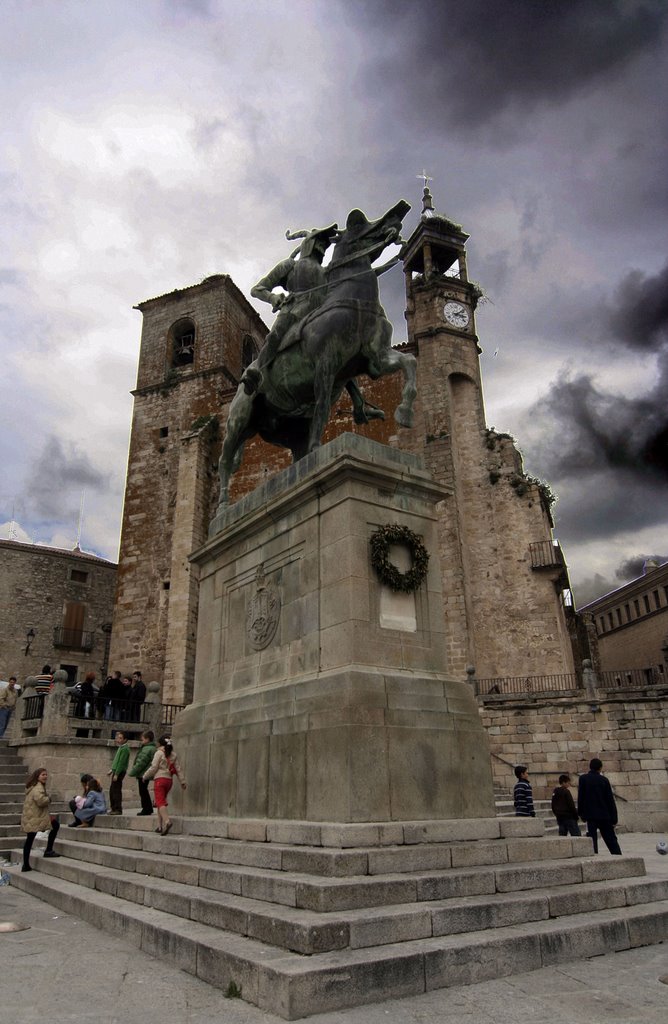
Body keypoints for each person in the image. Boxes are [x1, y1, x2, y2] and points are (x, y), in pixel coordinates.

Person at [240, 223, 338, 395]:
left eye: (325, 242)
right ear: (309, 243)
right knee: (276, 334)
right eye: (319, 241)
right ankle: (257, 372)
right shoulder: (290, 265)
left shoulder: (326, 273)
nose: (323, 245)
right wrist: (272, 297)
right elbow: (257, 289)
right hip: (294, 310)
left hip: (321, 315)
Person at [142, 735, 186, 835]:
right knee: (160, 802)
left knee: (160, 802)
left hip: (159, 779)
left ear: (160, 744)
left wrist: (145, 776)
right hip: (169, 781)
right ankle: (159, 826)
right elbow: (178, 769)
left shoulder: (159, 753)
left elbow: (153, 767)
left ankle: (167, 822)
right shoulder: (173, 755)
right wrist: (182, 782)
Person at [578, 757, 622, 855]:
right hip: (604, 815)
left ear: (590, 767)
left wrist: (581, 814)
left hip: (590, 816)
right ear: (600, 768)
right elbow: (610, 800)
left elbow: (581, 797)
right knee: (611, 839)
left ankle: (594, 859)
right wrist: (614, 818)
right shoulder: (604, 780)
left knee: (591, 840)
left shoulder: (583, 779)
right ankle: (618, 857)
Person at [21, 767, 61, 871]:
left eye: (46, 775)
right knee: (55, 826)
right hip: (35, 817)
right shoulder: (38, 787)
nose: (45, 777)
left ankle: (26, 864)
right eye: (43, 775)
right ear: (37, 776)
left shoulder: (33, 786)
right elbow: (40, 801)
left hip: (33, 816)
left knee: (30, 839)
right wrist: (49, 799)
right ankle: (47, 851)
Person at [129, 729, 157, 815]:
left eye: (143, 739)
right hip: (145, 772)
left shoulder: (147, 749)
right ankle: (148, 807)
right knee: (144, 790)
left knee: (143, 791)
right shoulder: (151, 748)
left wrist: (133, 771)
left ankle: (146, 808)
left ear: (147, 739)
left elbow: (141, 762)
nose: (142, 741)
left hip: (143, 773)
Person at [107, 730, 130, 814]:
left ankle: (117, 809)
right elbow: (116, 761)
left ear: (125, 740)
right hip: (116, 771)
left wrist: (116, 773)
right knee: (112, 790)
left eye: (120, 738)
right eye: (118, 737)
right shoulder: (121, 748)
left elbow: (121, 763)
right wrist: (112, 770)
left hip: (119, 772)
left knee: (116, 790)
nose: (118, 739)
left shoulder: (125, 749)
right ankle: (113, 808)